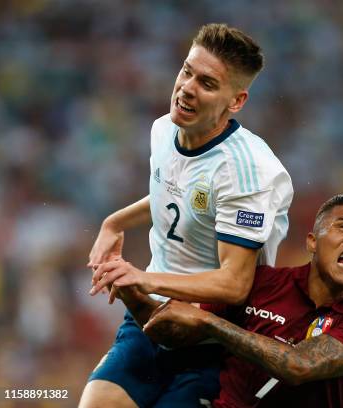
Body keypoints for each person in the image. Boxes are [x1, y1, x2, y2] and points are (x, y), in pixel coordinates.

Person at [80, 23, 293, 408]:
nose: (187, 88)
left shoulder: (247, 172)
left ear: (236, 101)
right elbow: (175, 195)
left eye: (208, 84)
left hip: (214, 342)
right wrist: (114, 222)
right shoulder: (163, 130)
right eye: (186, 71)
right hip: (150, 319)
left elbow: (234, 283)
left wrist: (142, 277)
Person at [143, 193, 343, 407]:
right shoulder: (263, 282)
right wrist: (129, 285)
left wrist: (209, 322)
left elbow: (300, 365)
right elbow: (171, 332)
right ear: (312, 242)